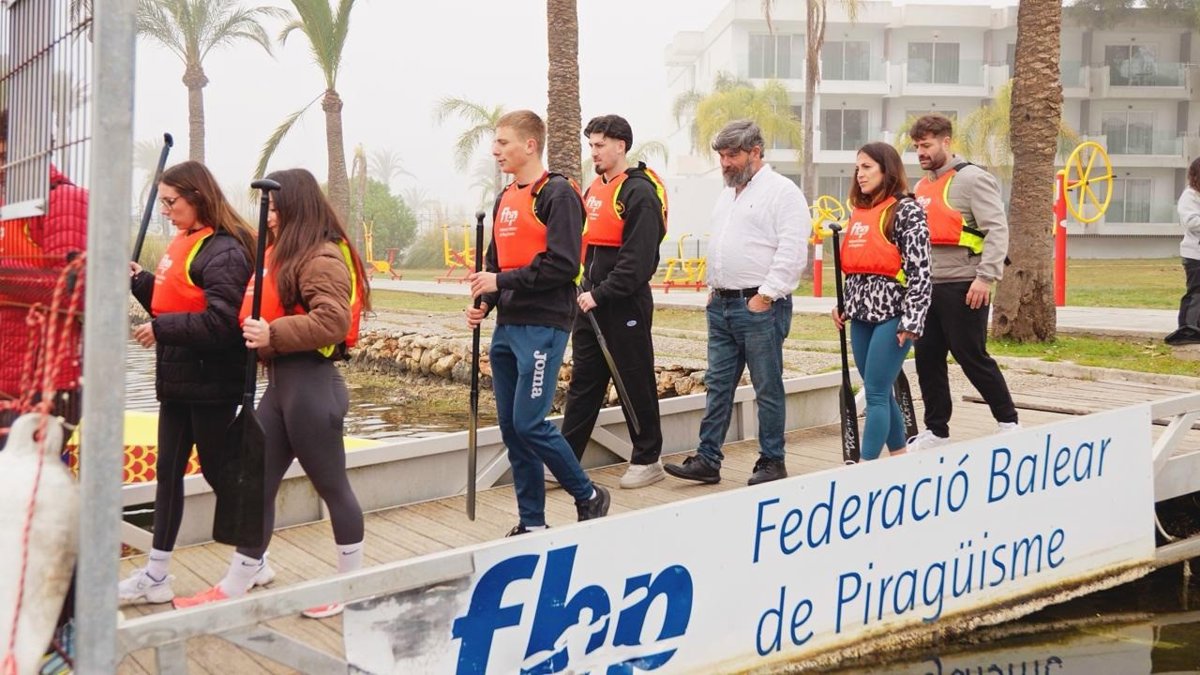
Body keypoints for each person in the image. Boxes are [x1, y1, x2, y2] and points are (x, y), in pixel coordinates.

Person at [173, 168, 369, 619]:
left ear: (297, 205)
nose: (270, 216)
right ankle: (235, 583)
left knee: (332, 487)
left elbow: (333, 320)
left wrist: (272, 332)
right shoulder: (281, 253)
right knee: (254, 484)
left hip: (311, 388)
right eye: (269, 208)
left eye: (277, 208)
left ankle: (351, 587)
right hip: (281, 388)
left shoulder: (320, 256)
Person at [466, 109, 611, 535]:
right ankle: (532, 522)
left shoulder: (558, 194)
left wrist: (500, 281)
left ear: (530, 145)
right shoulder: (505, 198)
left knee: (530, 423)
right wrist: (485, 301)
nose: (495, 150)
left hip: (544, 325)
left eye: (503, 142)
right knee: (513, 430)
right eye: (495, 143)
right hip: (508, 326)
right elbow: (496, 263)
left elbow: (563, 265)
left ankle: (588, 494)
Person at [119, 161, 257, 605]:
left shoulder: (226, 251)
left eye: (171, 201)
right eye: (161, 202)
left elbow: (222, 323)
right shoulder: (186, 242)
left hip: (212, 382)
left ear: (197, 197)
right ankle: (156, 574)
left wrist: (161, 330)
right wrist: (140, 281)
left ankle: (255, 557)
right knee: (167, 473)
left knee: (219, 471)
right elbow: (173, 301)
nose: (165, 210)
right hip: (179, 378)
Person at [664, 119, 807, 486]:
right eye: (722, 156)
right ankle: (708, 459)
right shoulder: (727, 194)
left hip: (760, 306)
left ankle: (772, 461)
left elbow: (792, 251)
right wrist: (714, 287)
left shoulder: (782, 192)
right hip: (722, 305)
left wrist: (766, 295)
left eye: (732, 155)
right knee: (718, 385)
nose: (725, 163)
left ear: (755, 152)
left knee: (767, 387)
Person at [560, 114, 667, 489]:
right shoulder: (594, 190)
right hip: (588, 303)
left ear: (621, 146)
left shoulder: (639, 193)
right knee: (584, 383)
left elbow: (638, 262)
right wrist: (581, 291)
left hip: (624, 304)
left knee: (633, 380)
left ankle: (648, 459)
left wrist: (600, 294)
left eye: (600, 145)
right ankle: (565, 462)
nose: (594, 152)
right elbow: (585, 249)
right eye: (591, 145)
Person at [906, 114, 1019, 451]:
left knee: (971, 356)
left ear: (946, 142)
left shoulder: (973, 179)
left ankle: (1008, 421)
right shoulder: (921, 187)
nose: (921, 152)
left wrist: (985, 278)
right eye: (916, 147)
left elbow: (996, 230)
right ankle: (936, 431)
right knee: (927, 360)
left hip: (965, 285)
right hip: (928, 287)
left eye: (926, 145)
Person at [831, 143, 932, 461]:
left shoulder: (907, 211)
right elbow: (858, 268)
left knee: (875, 393)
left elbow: (921, 273)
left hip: (894, 316)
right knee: (880, 390)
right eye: (857, 168)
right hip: (861, 316)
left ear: (886, 170)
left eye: (867, 167)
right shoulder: (859, 212)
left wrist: (912, 320)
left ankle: (864, 467)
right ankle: (900, 456)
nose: (859, 174)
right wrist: (844, 306)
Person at [0, 107, 88, 447]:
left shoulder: (64, 199)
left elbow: (74, 291)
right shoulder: (9, 204)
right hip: (9, 378)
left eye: (4, 157)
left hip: (46, 383)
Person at [1166, 157, 1200, 345]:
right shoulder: (1190, 196)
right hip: (1195, 254)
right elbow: (1192, 222)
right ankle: (1187, 329)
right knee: (1196, 292)